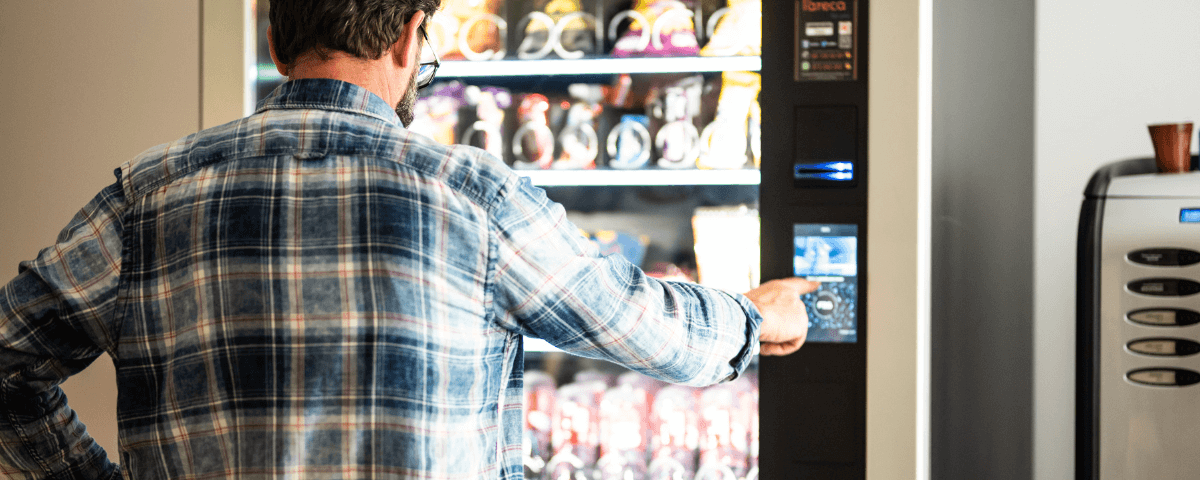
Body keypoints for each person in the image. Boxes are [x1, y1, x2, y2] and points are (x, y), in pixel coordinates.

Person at [0, 0, 816, 478]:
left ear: (278, 44)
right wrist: (755, 317)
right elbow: (643, 326)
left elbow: (6, 359)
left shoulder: (149, 194)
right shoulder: (473, 194)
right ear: (409, 37)